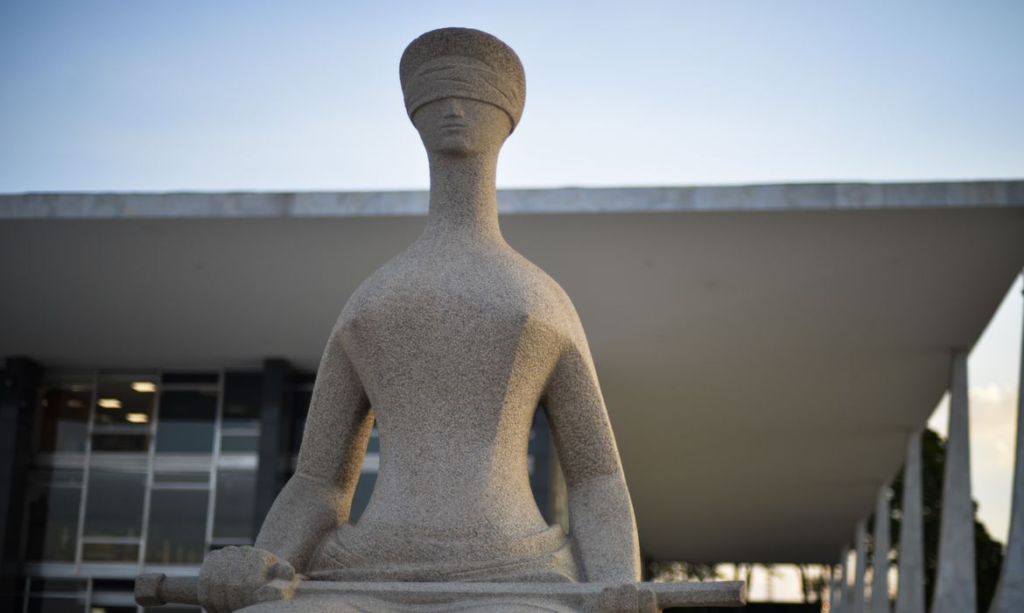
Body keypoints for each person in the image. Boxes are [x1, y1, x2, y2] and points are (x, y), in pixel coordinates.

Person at [198, 27, 640, 613]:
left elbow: (597, 477)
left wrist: (617, 581)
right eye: (438, 96)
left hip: (519, 569)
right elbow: (319, 482)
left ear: (508, 116)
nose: (454, 109)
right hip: (362, 569)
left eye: (471, 95)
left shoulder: (539, 299)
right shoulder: (373, 302)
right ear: (413, 114)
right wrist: (263, 560)